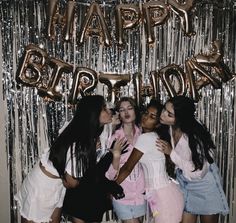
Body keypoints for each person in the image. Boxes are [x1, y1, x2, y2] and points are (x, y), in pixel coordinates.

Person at [15, 95, 125, 223]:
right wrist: (90, 156)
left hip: (58, 184)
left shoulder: (85, 128)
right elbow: (70, 183)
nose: (109, 111)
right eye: (104, 108)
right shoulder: (81, 144)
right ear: (94, 114)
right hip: (44, 186)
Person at [156, 95, 229, 223]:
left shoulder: (194, 136)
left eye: (169, 114)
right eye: (164, 109)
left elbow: (199, 172)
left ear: (180, 119)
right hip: (184, 185)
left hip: (204, 186)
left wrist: (171, 153)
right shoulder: (168, 127)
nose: (163, 115)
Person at [115, 99, 184, 223]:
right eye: (146, 113)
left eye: (152, 116)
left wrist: (110, 188)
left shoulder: (145, 138)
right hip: (161, 194)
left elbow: (127, 168)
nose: (145, 117)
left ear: (157, 123)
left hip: (163, 197)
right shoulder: (153, 136)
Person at [106, 97, 146, 223]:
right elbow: (109, 173)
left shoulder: (142, 134)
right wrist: (116, 157)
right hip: (122, 194)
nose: (126, 112)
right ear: (119, 114)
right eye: (122, 110)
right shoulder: (115, 138)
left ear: (135, 111)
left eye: (130, 108)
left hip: (141, 194)